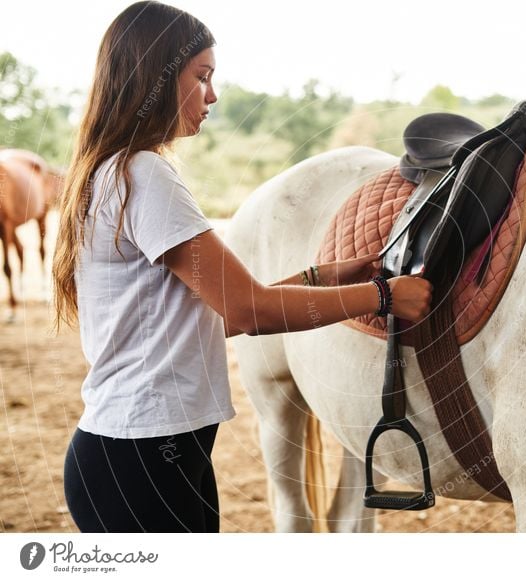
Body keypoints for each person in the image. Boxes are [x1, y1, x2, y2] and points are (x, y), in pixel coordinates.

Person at [51, 1, 432, 533]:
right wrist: (384, 297)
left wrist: (321, 277)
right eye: (201, 76)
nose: (212, 94)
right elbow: (247, 310)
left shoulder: (107, 172)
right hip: (147, 460)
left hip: (130, 451)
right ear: (157, 78)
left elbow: (208, 317)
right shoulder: (147, 176)